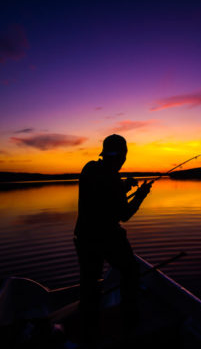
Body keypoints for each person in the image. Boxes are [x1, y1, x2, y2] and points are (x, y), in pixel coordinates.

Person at [73, 134, 152, 342]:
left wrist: (124, 187)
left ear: (104, 153)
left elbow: (102, 196)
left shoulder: (89, 169)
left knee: (89, 283)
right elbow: (123, 214)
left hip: (83, 237)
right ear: (123, 156)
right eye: (124, 155)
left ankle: (87, 330)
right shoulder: (112, 179)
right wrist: (141, 194)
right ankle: (129, 320)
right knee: (131, 271)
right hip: (106, 237)